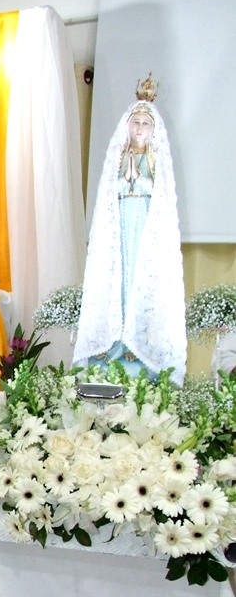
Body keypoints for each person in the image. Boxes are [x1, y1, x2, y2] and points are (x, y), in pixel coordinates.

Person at [73, 85, 187, 384]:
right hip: (122, 223)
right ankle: (113, 344)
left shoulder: (154, 158)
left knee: (140, 278)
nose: (139, 128)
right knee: (118, 279)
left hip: (144, 227)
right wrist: (126, 180)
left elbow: (160, 194)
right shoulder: (120, 156)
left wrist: (139, 180)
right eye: (135, 122)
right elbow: (109, 192)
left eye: (145, 123)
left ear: (153, 129)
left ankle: (138, 348)